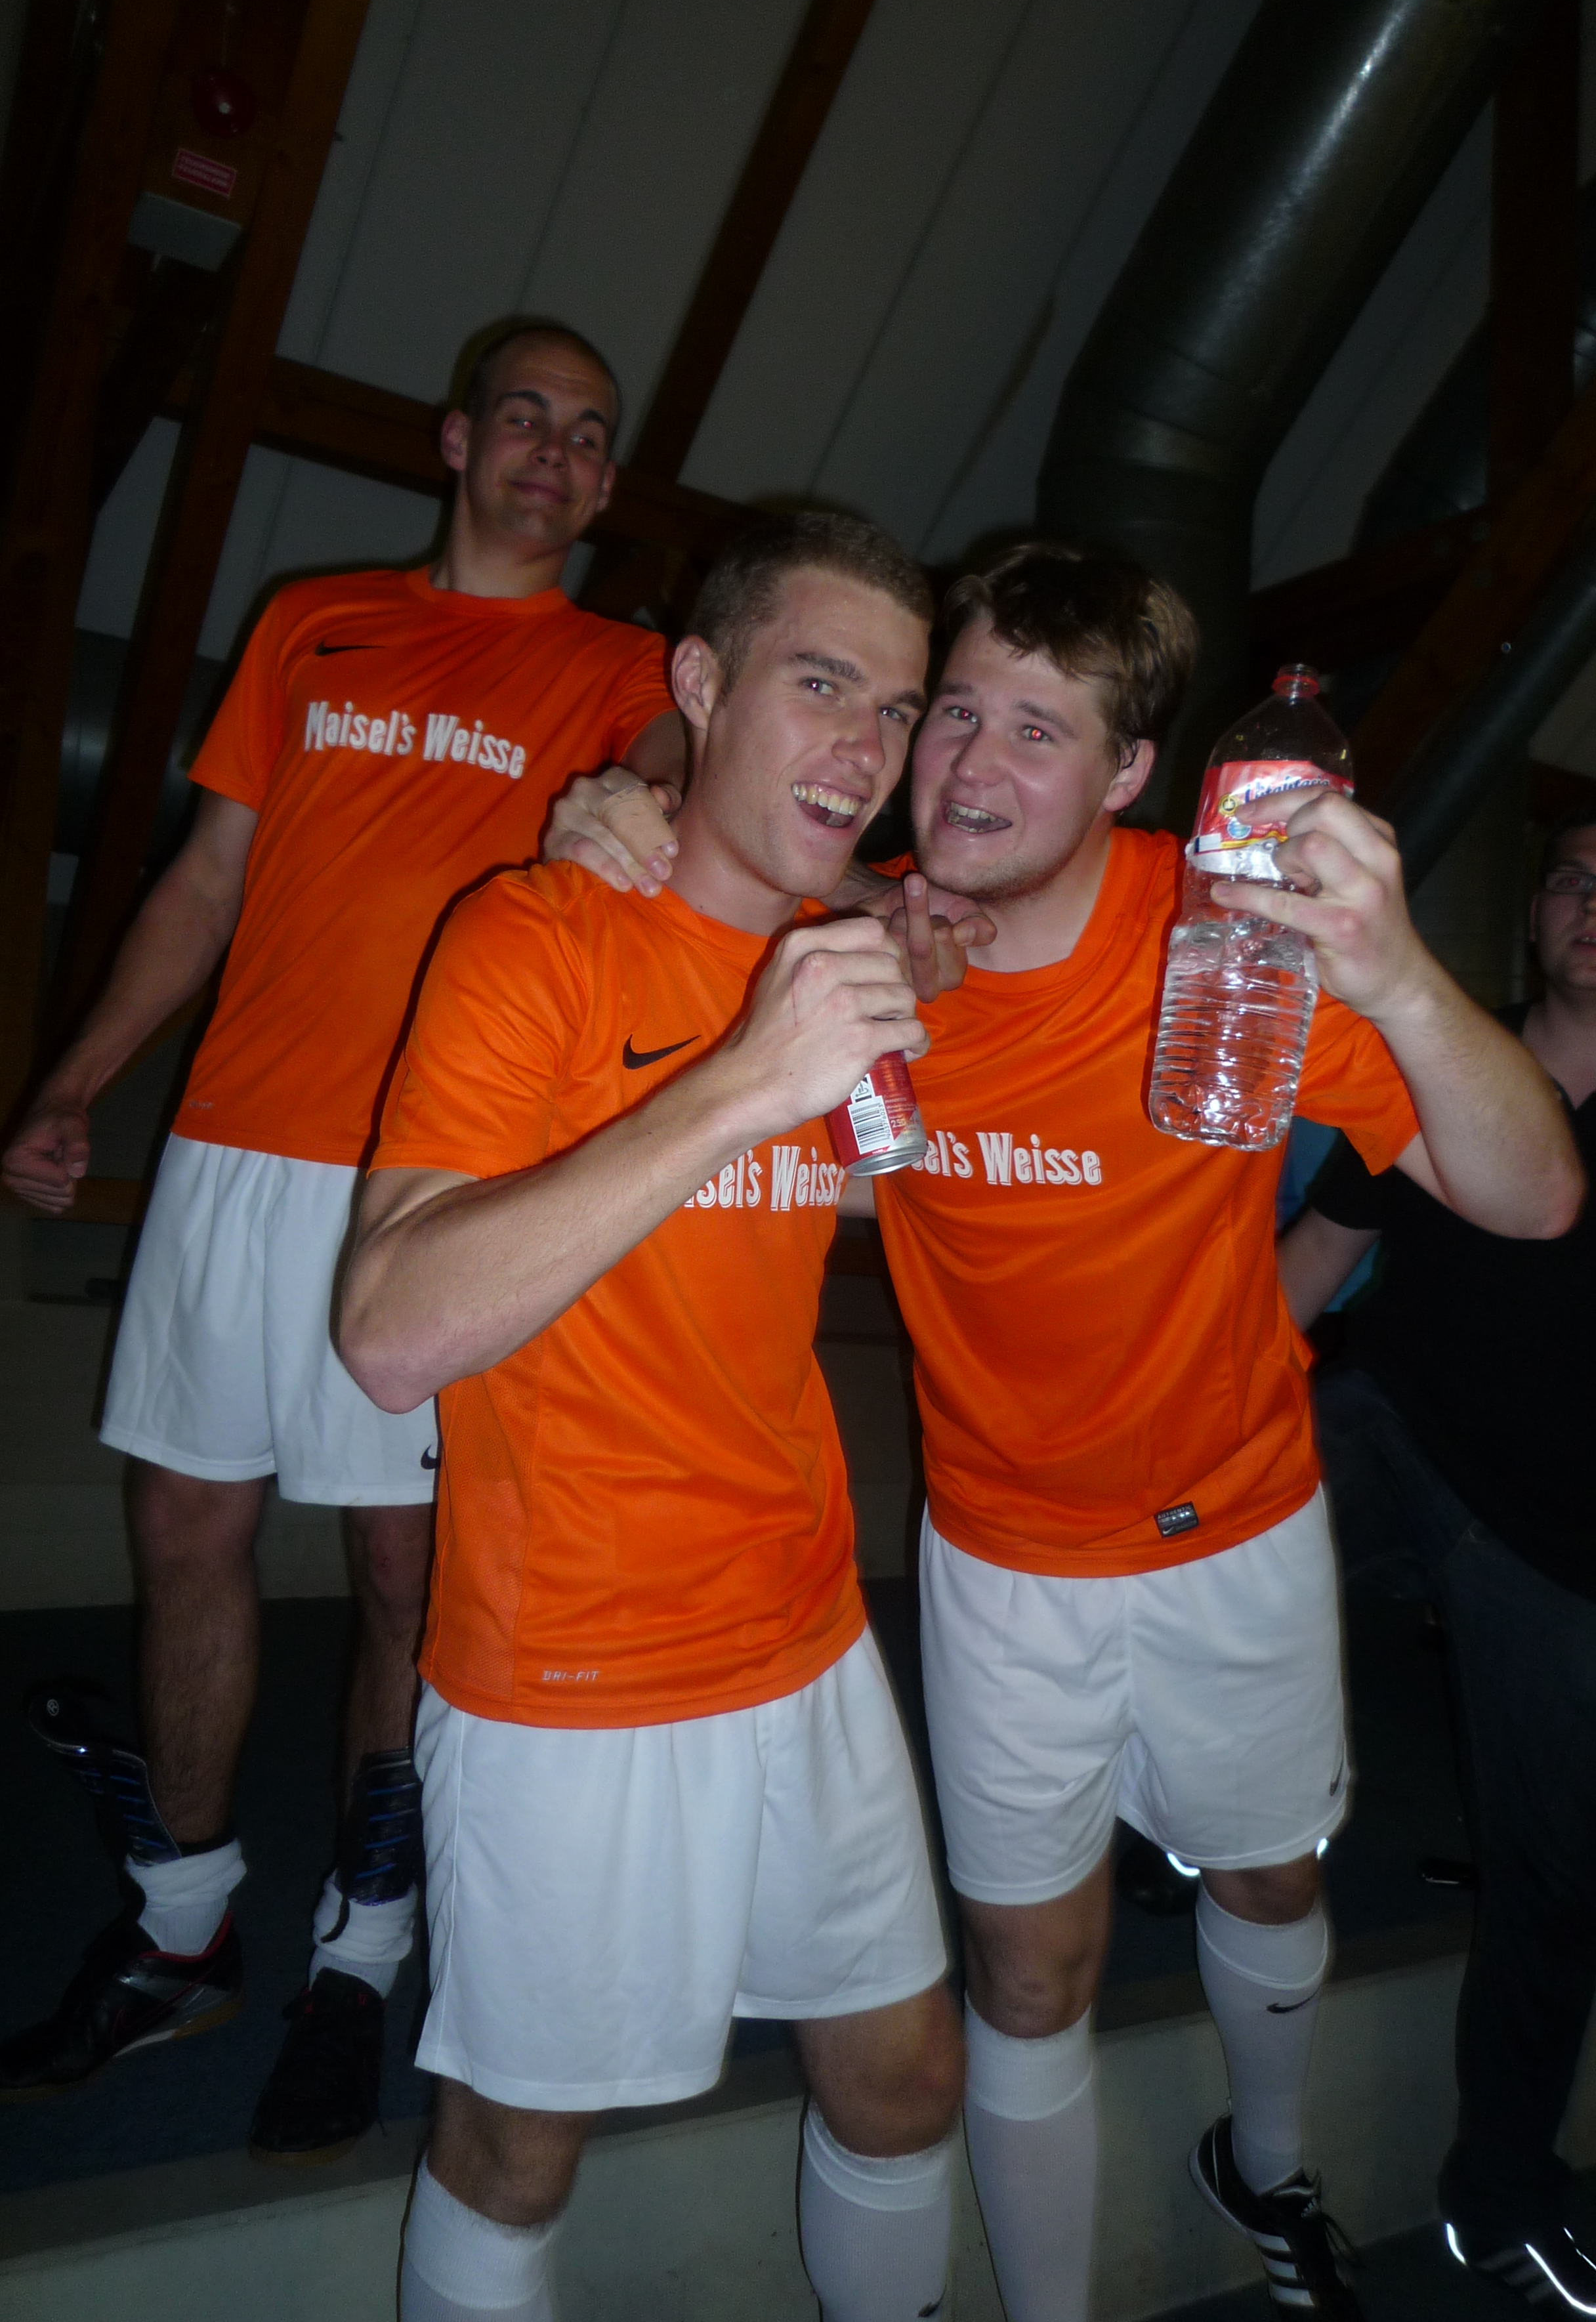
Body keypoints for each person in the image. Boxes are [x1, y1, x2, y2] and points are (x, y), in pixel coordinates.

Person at [558, 541, 1582, 2319]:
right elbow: (668, 925)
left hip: (1237, 1525)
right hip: (1004, 1557)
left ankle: (1267, 2166)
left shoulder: (1231, 933)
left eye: (1037, 732)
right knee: (1030, 1978)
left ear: (1129, 776)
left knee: (1268, 1883)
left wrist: (1404, 978)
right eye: (955, 711)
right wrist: (615, 811)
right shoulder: (855, 954)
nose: (967, 764)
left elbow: (1536, 1197)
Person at [0, 319, 681, 2162]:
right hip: (233, 1149)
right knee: (184, 1528)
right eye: (525, 417)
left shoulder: (626, 671)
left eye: (589, 436)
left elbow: (686, 791)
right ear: (457, 440)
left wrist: (646, 796)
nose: (553, 453)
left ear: (607, 484)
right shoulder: (314, 622)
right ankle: (181, 1930)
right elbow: (207, 877)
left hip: (437, 1174)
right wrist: (75, 1081)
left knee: (402, 1578)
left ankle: (362, 1957)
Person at [337, 511, 963, 2322]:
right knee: (516, 2151)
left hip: (802, 1624)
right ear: (699, 681)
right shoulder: (535, 933)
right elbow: (387, 1333)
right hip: (575, 1662)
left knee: (906, 2083)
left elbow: (831, 1200)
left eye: (896, 709)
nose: (864, 746)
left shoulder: (844, 961)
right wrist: (743, 1081)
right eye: (820, 684)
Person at [1278, 805, 1596, 2314]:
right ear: (1534, 914)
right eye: (1575, 880)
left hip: (1552, 1535)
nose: (1595, 905)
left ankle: (1502, 2199)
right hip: (1391, 1443)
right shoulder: (1432, 1071)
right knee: (1236, 1486)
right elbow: (1308, 1267)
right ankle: (1183, 1812)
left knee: (1561, 1881)